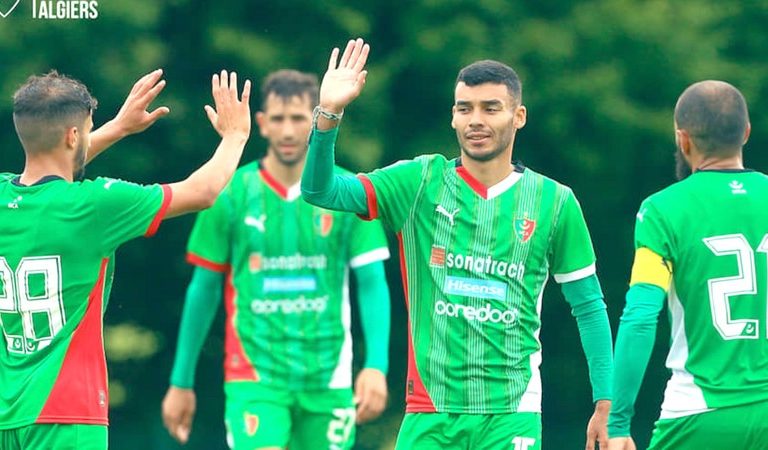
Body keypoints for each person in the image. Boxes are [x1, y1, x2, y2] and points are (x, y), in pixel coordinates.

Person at [302, 39, 613, 450]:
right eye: (465, 109)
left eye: (491, 108)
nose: (476, 120)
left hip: (511, 413)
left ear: (519, 116)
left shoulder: (555, 202)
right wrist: (329, 115)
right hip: (429, 413)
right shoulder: (418, 182)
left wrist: (607, 402)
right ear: (453, 117)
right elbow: (320, 191)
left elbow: (588, 305)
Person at [0, 68, 251, 450]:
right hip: (67, 413)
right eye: (87, 130)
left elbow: (53, 164)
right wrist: (235, 136)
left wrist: (117, 128)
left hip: (7, 412)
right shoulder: (95, 205)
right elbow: (201, 192)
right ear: (72, 136)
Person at [161, 69, 392, 450]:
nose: (287, 131)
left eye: (298, 118)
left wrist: (376, 366)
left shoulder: (347, 191)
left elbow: (372, 283)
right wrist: (181, 381)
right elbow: (203, 288)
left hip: (328, 376)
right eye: (278, 119)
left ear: (315, 120)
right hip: (255, 376)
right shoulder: (230, 192)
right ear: (262, 123)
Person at [608, 81, 768, 450]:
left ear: (682, 139)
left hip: (698, 412)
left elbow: (640, 316)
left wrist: (618, 421)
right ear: (746, 133)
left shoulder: (662, 209)